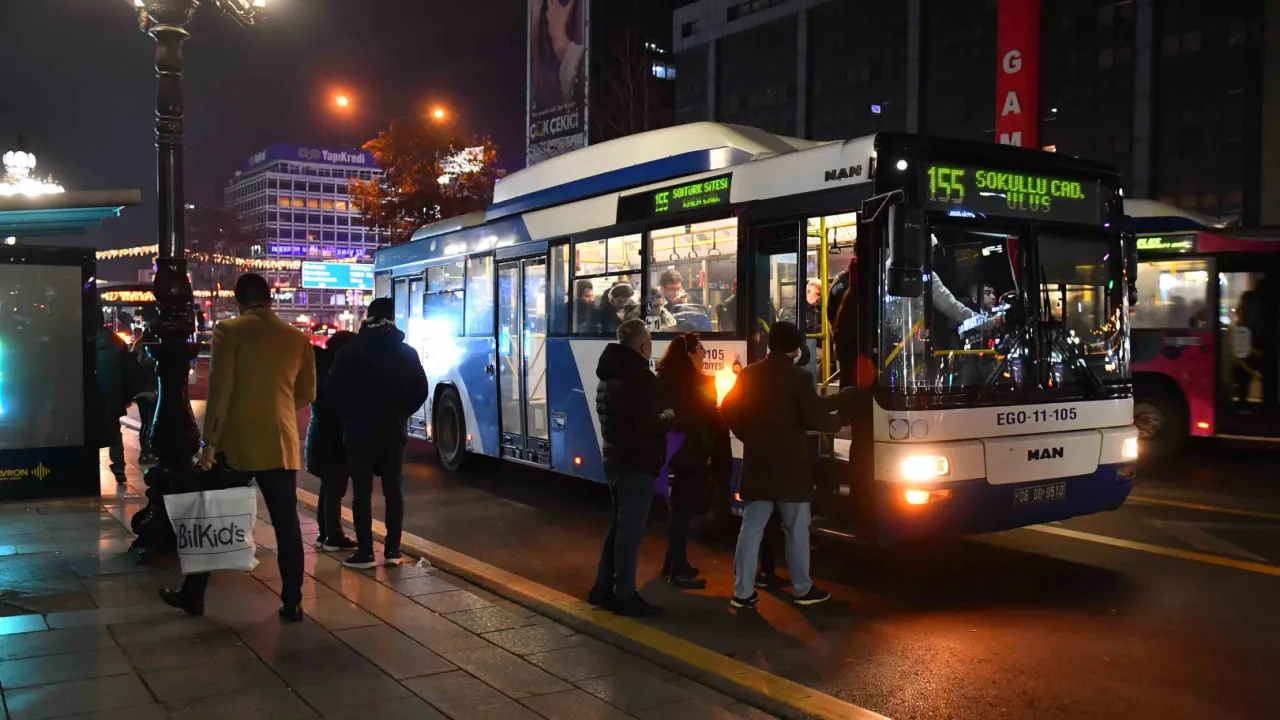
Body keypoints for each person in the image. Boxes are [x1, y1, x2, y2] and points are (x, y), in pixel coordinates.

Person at [160, 273, 317, 622]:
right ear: (270, 299)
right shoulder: (297, 337)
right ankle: (292, 601)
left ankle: (193, 594)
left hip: (236, 444)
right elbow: (308, 392)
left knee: (212, 515)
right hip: (279, 443)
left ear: (238, 301)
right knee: (287, 525)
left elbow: (221, 391)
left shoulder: (229, 331)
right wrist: (276, 410)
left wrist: (209, 442)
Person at [721, 321, 846, 609]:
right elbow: (816, 418)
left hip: (758, 463)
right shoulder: (799, 377)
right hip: (791, 467)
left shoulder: (749, 374)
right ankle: (802, 589)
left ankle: (742, 592)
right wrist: (839, 421)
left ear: (770, 345)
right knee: (797, 528)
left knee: (751, 528)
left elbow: (727, 408)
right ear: (795, 348)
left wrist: (748, 434)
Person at [326, 298, 429, 569]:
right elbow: (420, 390)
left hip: (359, 430)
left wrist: (349, 414)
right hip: (393, 430)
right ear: (393, 319)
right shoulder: (406, 352)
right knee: (393, 489)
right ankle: (393, 550)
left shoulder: (351, 350)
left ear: (367, 318)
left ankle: (366, 552)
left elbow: (333, 390)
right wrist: (401, 412)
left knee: (362, 492)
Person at [588, 319, 674, 617]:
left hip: (614, 460)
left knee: (618, 526)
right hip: (637, 463)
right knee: (629, 533)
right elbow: (649, 423)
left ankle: (602, 589)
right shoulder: (639, 377)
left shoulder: (608, 374)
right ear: (644, 346)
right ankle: (624, 594)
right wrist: (669, 416)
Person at [655, 333, 726, 589]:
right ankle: (677, 570)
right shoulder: (685, 383)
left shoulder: (670, 378)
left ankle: (673, 562)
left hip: (683, 451)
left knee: (680, 511)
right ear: (689, 354)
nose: (705, 353)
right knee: (681, 512)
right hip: (687, 453)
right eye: (701, 348)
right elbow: (695, 415)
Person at [306, 330, 358, 552]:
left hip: (320, 435)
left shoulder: (320, 368)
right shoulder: (335, 374)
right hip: (332, 438)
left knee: (329, 486)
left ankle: (325, 533)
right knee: (335, 487)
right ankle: (333, 536)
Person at [95, 325, 141, 484]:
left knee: (88, 433)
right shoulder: (117, 343)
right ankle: (119, 467)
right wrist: (126, 397)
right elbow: (130, 373)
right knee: (114, 431)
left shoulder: (84, 341)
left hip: (92, 395)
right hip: (113, 395)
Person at [131, 314, 159, 465]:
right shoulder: (152, 349)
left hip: (139, 391)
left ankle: (144, 452)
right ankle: (148, 453)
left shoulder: (137, 346)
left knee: (145, 422)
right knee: (150, 422)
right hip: (150, 391)